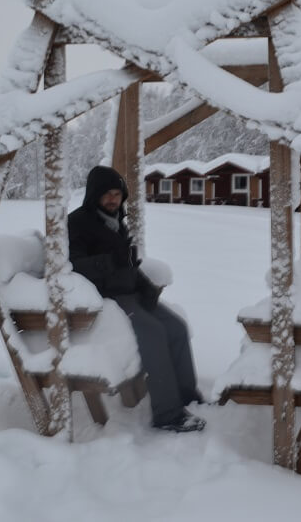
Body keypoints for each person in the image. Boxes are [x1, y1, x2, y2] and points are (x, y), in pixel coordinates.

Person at [68, 165, 205, 433]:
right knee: (153, 332)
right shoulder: (78, 223)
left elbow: (127, 265)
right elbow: (73, 265)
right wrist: (111, 261)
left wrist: (145, 286)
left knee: (176, 327)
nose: (112, 199)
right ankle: (167, 414)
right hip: (105, 298)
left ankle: (187, 394)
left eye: (117, 194)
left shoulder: (116, 222)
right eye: (107, 194)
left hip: (129, 292)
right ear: (94, 194)